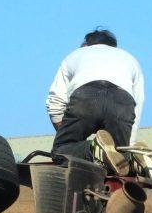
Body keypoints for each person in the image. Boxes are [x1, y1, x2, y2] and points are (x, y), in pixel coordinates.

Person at [46, 29, 145, 175]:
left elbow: (55, 102)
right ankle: (132, 160)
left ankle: (95, 148)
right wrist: (128, 147)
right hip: (122, 101)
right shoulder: (130, 58)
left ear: (87, 45)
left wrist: (65, 133)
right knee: (117, 158)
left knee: (61, 151)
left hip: (86, 98)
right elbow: (137, 105)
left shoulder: (76, 54)